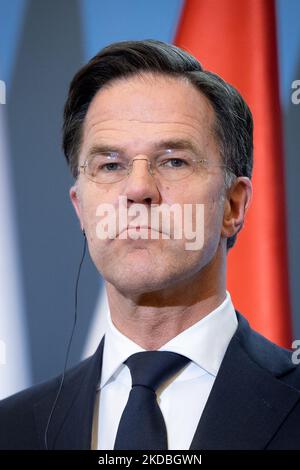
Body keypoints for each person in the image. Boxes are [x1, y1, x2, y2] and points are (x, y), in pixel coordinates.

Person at [0, 39, 299, 450]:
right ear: (81, 209)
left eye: (174, 161)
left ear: (233, 206)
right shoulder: (11, 429)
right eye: (110, 165)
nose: (139, 189)